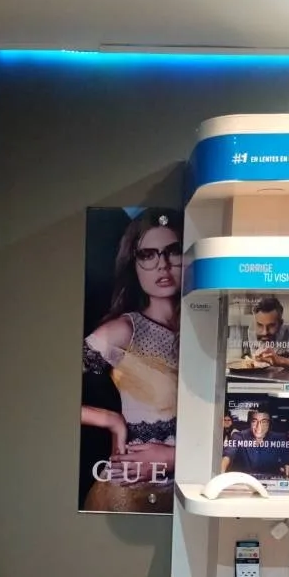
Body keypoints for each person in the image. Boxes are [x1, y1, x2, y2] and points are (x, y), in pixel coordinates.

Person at [81, 208, 182, 514]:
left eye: (173, 251)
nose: (163, 265)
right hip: (131, 494)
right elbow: (48, 395)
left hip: (190, 489)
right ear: (133, 264)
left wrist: (174, 457)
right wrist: (111, 420)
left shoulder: (206, 328)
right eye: (147, 255)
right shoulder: (122, 332)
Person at [221, 409, 289, 479]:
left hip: (271, 482)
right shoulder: (239, 436)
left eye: (264, 422)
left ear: (269, 424)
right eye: (254, 421)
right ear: (250, 423)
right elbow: (228, 454)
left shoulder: (279, 438)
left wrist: (288, 466)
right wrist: (221, 473)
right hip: (244, 481)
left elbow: (287, 460)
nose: (259, 426)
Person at [252, 296, 289, 371]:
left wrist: (280, 361)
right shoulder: (252, 332)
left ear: (280, 323)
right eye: (260, 325)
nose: (264, 332)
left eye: (271, 326)